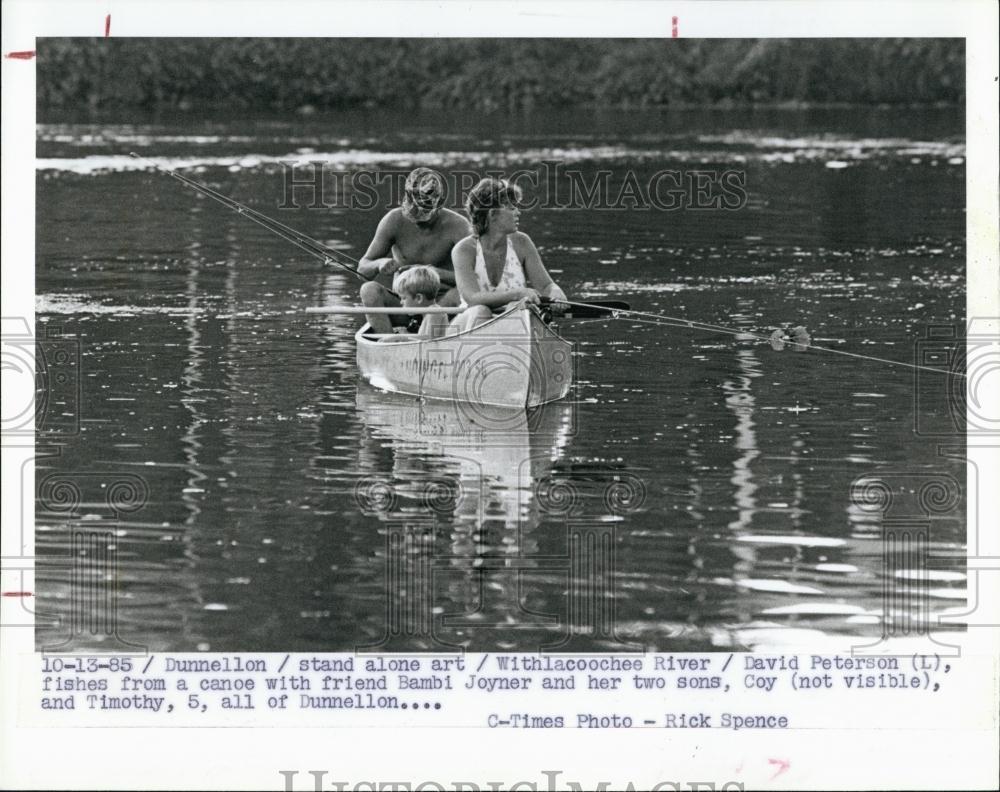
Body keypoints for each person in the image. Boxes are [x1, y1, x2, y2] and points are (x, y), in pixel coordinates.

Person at [358, 167, 470, 334]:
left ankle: (430, 336)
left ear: (439, 205)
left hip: (441, 306)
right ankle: (389, 341)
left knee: (457, 294)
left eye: (424, 214)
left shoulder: (459, 226)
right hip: (405, 304)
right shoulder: (393, 220)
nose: (418, 219)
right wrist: (379, 264)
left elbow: (476, 278)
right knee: (369, 290)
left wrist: (435, 273)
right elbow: (362, 270)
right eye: (414, 212)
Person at [450, 177, 568, 333]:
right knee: (481, 311)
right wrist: (517, 294)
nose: (518, 212)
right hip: (469, 322)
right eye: (512, 208)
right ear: (492, 214)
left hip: (510, 324)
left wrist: (555, 292)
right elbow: (472, 298)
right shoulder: (463, 250)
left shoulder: (522, 242)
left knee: (520, 309)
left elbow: (545, 285)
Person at [376, 266, 450, 343]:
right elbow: (424, 339)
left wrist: (400, 337)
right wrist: (404, 333)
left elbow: (429, 342)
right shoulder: (429, 313)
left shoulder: (434, 313)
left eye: (404, 298)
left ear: (419, 298)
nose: (401, 302)